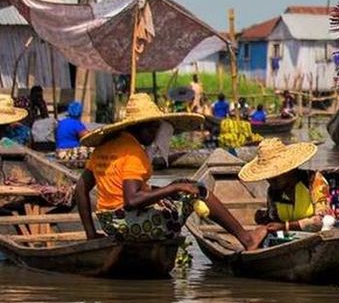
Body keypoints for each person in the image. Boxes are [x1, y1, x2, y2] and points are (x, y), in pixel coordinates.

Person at [74, 94, 265, 249]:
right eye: (151, 128)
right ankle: (247, 238)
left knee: (181, 187)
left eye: (157, 127)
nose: (155, 133)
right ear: (138, 126)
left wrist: (91, 233)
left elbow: (80, 188)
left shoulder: (103, 148)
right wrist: (174, 190)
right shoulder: (133, 153)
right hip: (130, 225)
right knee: (199, 191)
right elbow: (131, 200)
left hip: (110, 225)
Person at [238, 138, 333, 234]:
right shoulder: (273, 191)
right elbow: (274, 219)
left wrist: (285, 226)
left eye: (276, 175)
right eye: (269, 177)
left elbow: (321, 220)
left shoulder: (313, 180)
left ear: (290, 170)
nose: (271, 180)